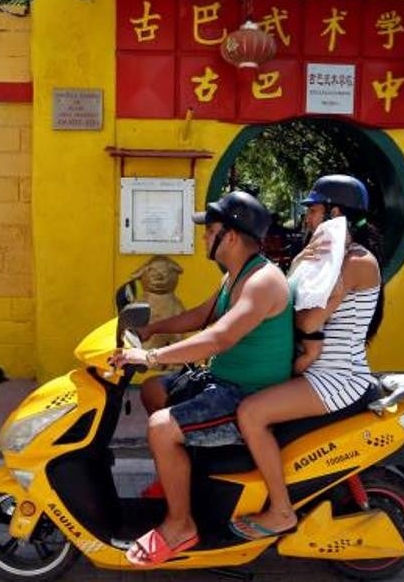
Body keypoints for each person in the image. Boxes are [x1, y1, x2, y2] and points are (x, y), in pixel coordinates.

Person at [113, 191, 293, 567]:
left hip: (244, 393)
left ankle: (180, 525)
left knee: (162, 428)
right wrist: (152, 329)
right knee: (153, 390)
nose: (203, 238)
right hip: (220, 380)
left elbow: (219, 336)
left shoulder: (262, 281)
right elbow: (200, 315)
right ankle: (183, 479)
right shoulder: (236, 275)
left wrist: (150, 356)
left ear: (230, 236)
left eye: (209, 230)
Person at [230, 174, 385, 540]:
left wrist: (307, 313)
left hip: (336, 379)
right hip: (315, 368)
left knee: (250, 413)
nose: (308, 219)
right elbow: (292, 304)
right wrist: (299, 260)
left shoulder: (355, 261)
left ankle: (282, 512)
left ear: (335, 213)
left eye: (314, 211)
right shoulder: (327, 257)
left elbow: (308, 318)